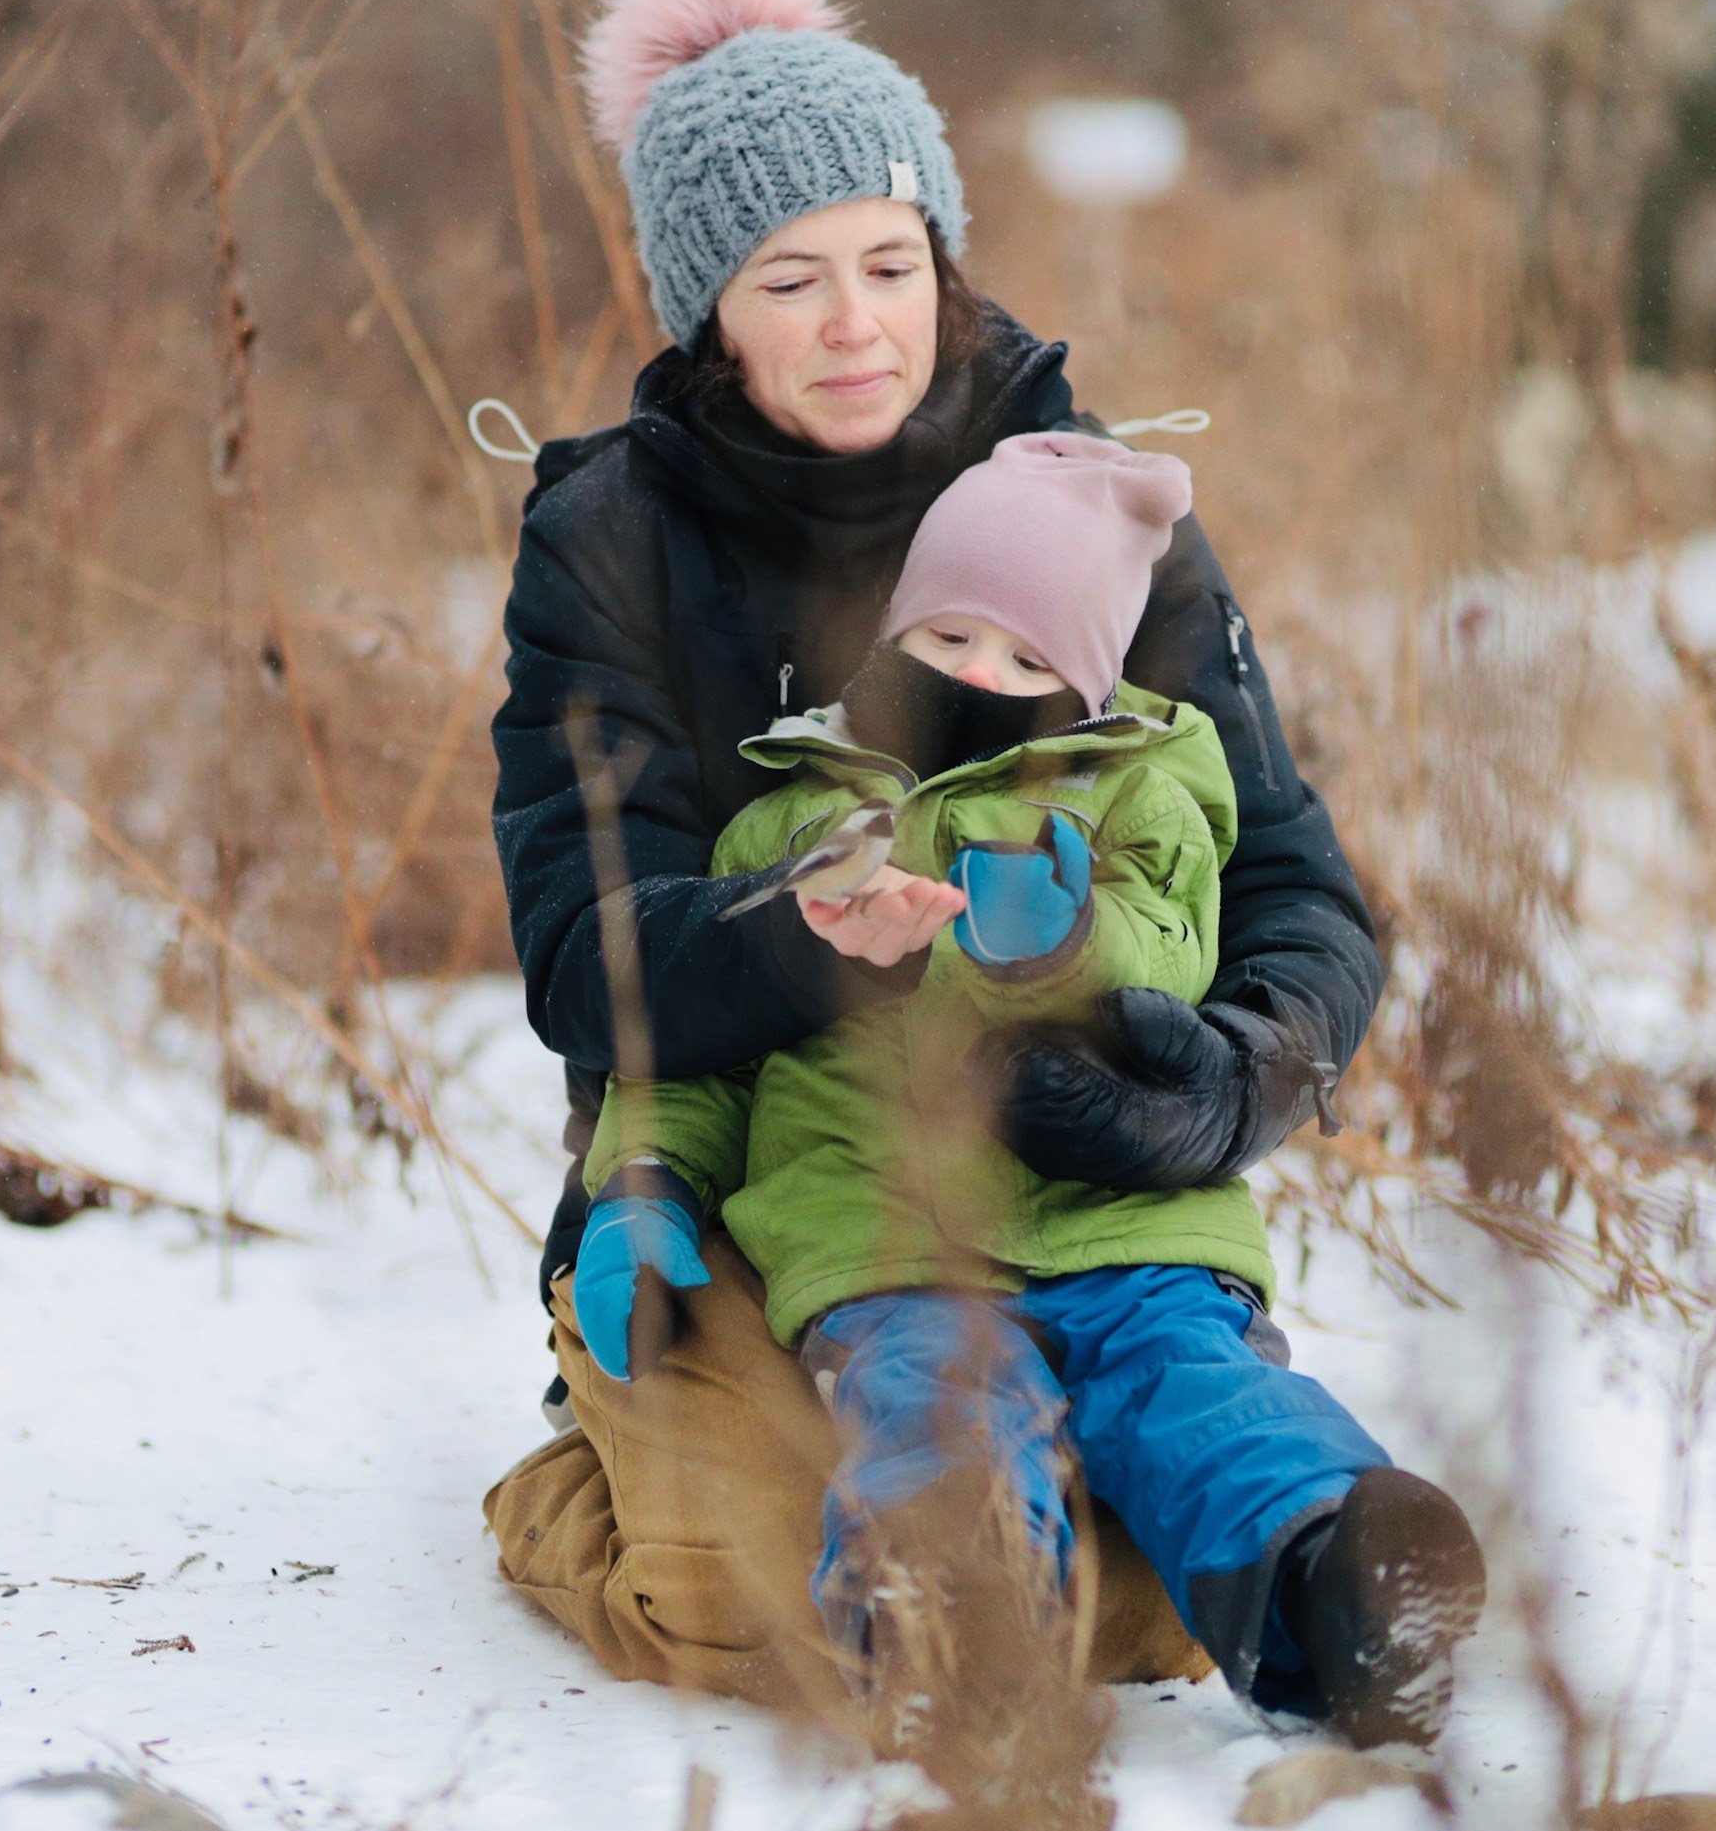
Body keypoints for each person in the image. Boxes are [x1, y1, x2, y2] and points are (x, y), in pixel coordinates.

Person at [480, 0, 1405, 1718]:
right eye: (788, 279)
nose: (854, 324)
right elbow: (579, 954)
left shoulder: (1085, 499)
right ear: (705, 308)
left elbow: (1290, 876)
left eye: (890, 263)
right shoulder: (611, 538)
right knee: (758, 1599)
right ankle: (589, 1460)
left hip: (1071, 1176)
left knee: (1155, 1581)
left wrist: (1226, 1073)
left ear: (942, 255)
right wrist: (797, 939)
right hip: (761, 1174)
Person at [571, 426, 1485, 1746]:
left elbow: (1172, 944)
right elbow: (701, 1047)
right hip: (892, 1240)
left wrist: (1055, 945)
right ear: (893, 633)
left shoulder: (1139, 787)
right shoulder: (790, 819)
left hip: (1128, 1230)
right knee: (933, 1397)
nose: (984, 676)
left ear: (1091, 678)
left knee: (1200, 1399)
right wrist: (641, 1189)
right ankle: (955, 1616)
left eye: (1029, 658)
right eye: (951, 639)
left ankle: (1340, 1582)